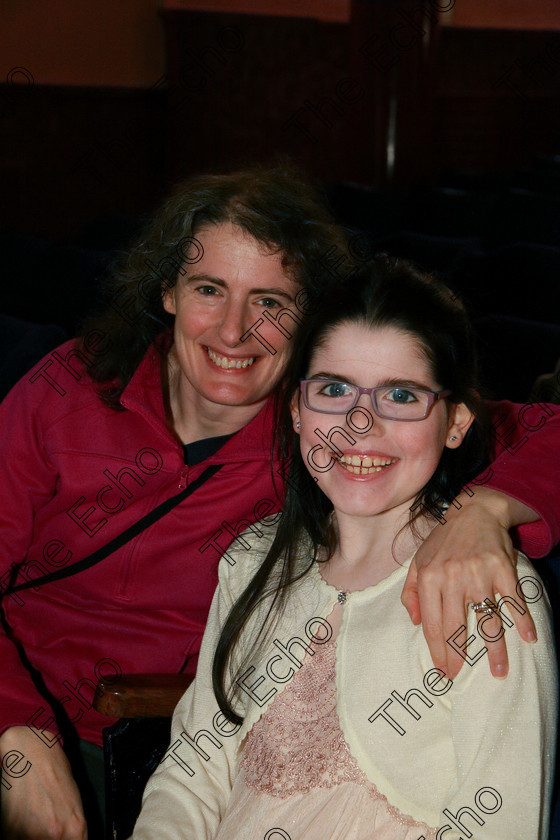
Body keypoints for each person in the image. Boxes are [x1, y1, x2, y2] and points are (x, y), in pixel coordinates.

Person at [0, 165, 558, 840]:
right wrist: (15, 730)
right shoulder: (68, 388)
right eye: (210, 289)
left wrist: (487, 511)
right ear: (169, 290)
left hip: (134, 736)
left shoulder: (335, 438)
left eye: (270, 301)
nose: (235, 332)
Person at [132, 256, 558, 839]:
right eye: (334, 390)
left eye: (401, 396)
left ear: (456, 421)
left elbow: (499, 821)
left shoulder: (486, 585)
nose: (359, 424)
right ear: (296, 410)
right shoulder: (253, 559)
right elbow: (192, 774)